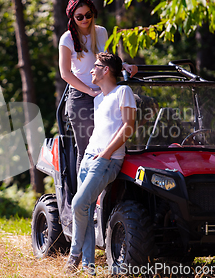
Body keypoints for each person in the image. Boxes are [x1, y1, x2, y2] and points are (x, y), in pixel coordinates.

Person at [64, 52, 137, 274]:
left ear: (106, 70)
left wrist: (106, 154)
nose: (91, 70)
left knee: (78, 204)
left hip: (107, 160)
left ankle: (74, 254)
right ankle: (88, 265)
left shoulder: (123, 91)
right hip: (89, 157)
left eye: (96, 66)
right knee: (84, 209)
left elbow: (128, 126)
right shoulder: (98, 99)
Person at [59, 0, 137, 173]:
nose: (85, 19)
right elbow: (65, 73)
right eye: (79, 17)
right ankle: (83, 198)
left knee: (113, 145)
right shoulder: (67, 39)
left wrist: (124, 65)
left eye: (88, 15)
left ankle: (108, 196)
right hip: (81, 97)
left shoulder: (101, 32)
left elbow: (107, 61)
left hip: (106, 94)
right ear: (72, 18)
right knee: (87, 150)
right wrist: (89, 91)